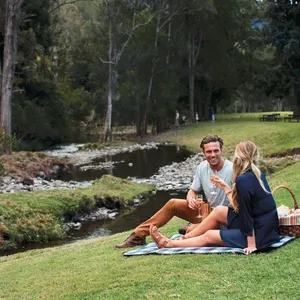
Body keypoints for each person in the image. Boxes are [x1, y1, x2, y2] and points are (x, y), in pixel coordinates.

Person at [149, 141, 280, 255]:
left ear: (239, 156)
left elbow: (246, 214)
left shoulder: (243, 179)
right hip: (268, 229)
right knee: (219, 211)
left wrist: (251, 244)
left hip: (259, 236)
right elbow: (243, 207)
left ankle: (168, 244)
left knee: (210, 235)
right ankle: (185, 239)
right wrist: (226, 188)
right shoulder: (256, 173)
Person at [115, 135, 233, 248]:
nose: (212, 155)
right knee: (173, 203)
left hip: (223, 217)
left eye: (216, 151)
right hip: (206, 211)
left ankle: (189, 229)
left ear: (221, 150)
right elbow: (192, 191)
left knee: (197, 231)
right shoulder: (202, 167)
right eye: (209, 152)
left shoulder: (232, 169)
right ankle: (137, 236)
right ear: (203, 153)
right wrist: (190, 198)